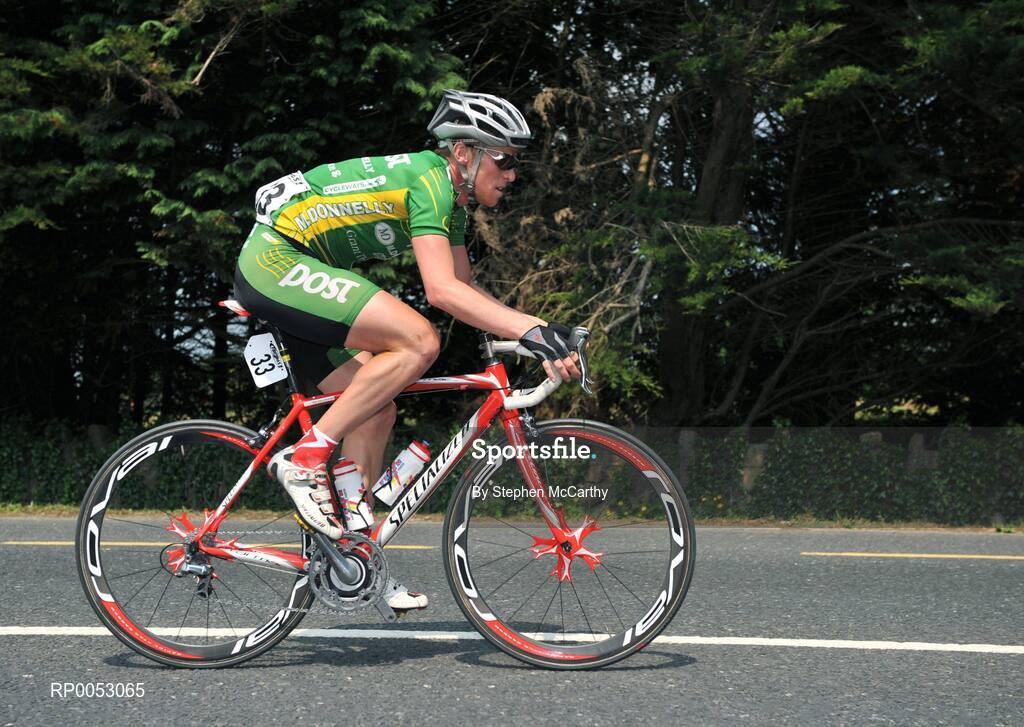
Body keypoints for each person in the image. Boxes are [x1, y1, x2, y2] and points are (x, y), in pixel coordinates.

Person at [233, 90, 582, 611]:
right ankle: (305, 458)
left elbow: (465, 293)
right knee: (419, 339)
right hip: (276, 260)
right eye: (504, 160)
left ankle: (357, 557)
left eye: (516, 164)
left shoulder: (454, 206)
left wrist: (533, 336)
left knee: (376, 408)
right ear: (464, 153)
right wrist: (533, 328)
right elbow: (440, 293)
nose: (512, 176)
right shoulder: (430, 182)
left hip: (295, 267)